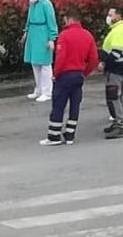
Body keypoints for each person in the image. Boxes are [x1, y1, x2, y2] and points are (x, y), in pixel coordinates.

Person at [40, 8, 98, 146]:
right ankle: (70, 135)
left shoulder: (65, 35)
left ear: (70, 19)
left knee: (59, 105)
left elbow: (61, 57)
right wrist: (84, 72)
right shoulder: (87, 35)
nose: (63, 22)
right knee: (74, 105)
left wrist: (55, 74)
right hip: (78, 75)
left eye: (65, 19)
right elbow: (94, 58)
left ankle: (54, 136)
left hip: (65, 75)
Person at [23, 0, 58, 102]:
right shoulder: (32, 4)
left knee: (45, 64)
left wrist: (51, 38)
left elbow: (51, 21)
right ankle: (38, 89)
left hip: (43, 34)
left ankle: (47, 92)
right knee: (35, 63)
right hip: (33, 34)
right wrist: (26, 32)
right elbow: (28, 19)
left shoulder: (46, 4)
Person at [99, 7, 123, 138]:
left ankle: (120, 125)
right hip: (118, 69)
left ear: (118, 16)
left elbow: (116, 53)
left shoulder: (118, 30)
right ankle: (118, 122)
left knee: (114, 97)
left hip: (116, 69)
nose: (108, 17)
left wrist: (104, 63)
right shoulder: (117, 29)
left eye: (110, 15)